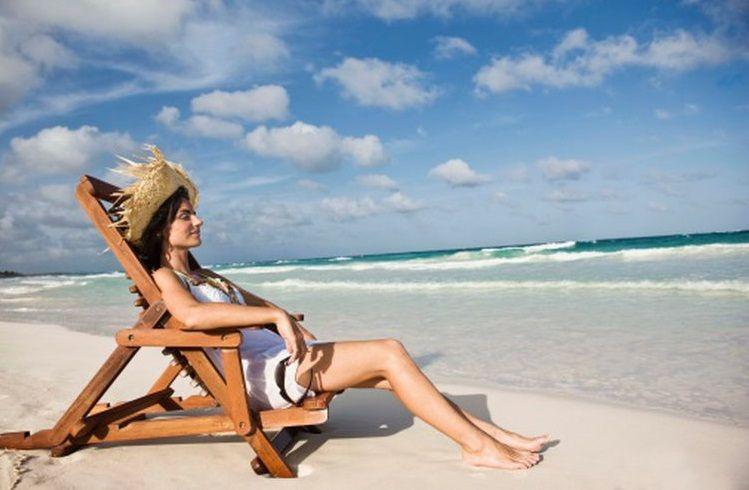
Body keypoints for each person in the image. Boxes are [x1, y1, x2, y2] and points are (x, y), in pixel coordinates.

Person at [108, 146, 549, 470]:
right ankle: (477, 447)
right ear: (163, 229)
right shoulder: (165, 277)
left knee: (391, 373)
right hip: (263, 379)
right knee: (390, 352)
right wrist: (275, 319)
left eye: (193, 213)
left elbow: (259, 302)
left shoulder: (204, 275)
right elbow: (192, 316)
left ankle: (490, 435)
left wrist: (285, 319)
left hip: (284, 361)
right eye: (185, 215)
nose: (198, 220)